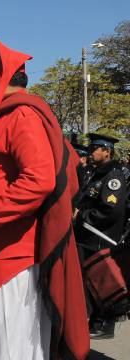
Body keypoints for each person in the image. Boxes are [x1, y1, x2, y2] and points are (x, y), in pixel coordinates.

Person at [0, 39, 89, 359]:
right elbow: (1, 174)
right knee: (1, 348)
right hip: (1, 256)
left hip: (15, 260)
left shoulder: (23, 115)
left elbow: (38, 180)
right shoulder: (8, 117)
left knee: (14, 350)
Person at [74, 133, 127, 340]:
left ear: (107, 152)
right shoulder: (95, 174)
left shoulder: (113, 177)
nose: (91, 150)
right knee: (87, 282)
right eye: (92, 146)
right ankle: (93, 322)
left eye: (96, 147)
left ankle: (103, 325)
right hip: (86, 236)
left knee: (100, 282)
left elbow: (110, 210)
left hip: (98, 237)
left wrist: (82, 216)